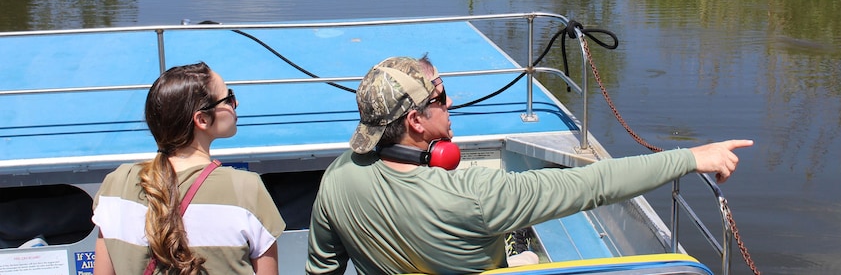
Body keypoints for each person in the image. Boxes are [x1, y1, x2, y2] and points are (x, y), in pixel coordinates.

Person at [305, 55, 753, 275]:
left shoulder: (337, 178)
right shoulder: (477, 196)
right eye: (440, 97)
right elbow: (595, 183)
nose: (451, 101)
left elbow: (322, 271)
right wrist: (691, 157)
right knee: (528, 259)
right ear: (416, 121)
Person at [92, 62, 285, 275]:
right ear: (202, 119)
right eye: (228, 98)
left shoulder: (116, 185)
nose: (235, 102)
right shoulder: (245, 189)